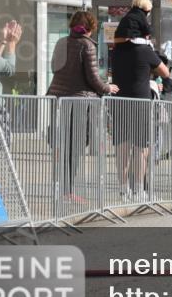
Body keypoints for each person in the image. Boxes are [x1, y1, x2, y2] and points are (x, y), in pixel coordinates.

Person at [47, 11, 120, 203]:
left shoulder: (61, 42)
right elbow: (93, 78)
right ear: (91, 27)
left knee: (63, 145)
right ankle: (67, 191)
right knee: (76, 146)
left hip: (58, 98)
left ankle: (62, 189)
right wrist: (107, 88)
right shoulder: (87, 46)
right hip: (79, 102)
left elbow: (54, 66)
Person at [110, 34, 170, 200]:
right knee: (141, 148)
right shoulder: (145, 50)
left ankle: (124, 190)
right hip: (140, 104)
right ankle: (139, 190)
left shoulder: (116, 52)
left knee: (123, 147)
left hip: (120, 103)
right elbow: (165, 72)